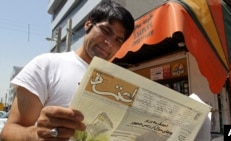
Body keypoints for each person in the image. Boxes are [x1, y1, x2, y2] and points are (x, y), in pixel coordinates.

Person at [0, 1, 134, 141]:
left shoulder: (118, 83)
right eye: (106, 31)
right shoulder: (46, 65)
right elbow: (8, 132)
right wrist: (36, 134)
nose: (109, 43)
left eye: (118, 40)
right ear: (88, 24)